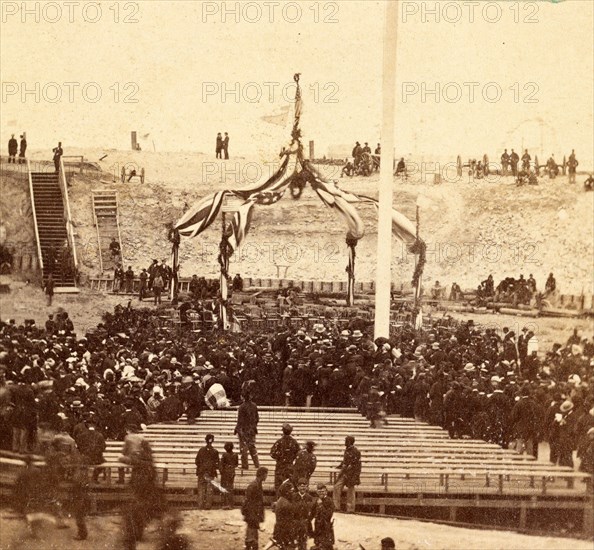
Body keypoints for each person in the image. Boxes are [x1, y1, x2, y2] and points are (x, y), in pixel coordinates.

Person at [242, 466, 268, 550]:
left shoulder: (258, 484)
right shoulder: (253, 485)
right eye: (266, 475)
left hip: (255, 514)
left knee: (253, 533)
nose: (266, 477)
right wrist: (250, 514)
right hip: (252, 514)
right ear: (262, 475)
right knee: (251, 534)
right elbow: (247, 501)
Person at [333, 435, 361, 513]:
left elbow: (353, 465)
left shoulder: (355, 451)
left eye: (346, 441)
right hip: (346, 473)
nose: (345, 442)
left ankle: (350, 509)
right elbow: (345, 461)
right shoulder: (347, 450)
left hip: (351, 474)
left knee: (350, 491)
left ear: (349, 442)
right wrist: (340, 466)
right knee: (336, 487)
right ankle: (336, 507)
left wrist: (339, 475)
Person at [270, 423, 300, 490]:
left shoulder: (279, 442)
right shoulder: (294, 442)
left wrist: (279, 457)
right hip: (289, 466)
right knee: (289, 487)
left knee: (279, 487)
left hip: (280, 467)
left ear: (283, 431)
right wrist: (291, 457)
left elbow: (272, 454)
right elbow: (298, 454)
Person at [235, 391, 260, 470]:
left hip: (244, 430)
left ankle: (245, 465)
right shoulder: (254, 406)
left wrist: (238, 429)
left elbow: (240, 421)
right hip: (252, 429)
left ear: (242, 397)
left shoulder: (241, 407)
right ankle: (257, 464)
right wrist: (254, 426)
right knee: (252, 446)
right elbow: (257, 418)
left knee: (244, 448)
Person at [195, 433, 219, 510]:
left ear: (205, 440)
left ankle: (200, 505)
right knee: (209, 489)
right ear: (213, 441)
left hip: (201, 472)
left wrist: (201, 467)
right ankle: (208, 505)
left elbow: (196, 461)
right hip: (210, 472)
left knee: (201, 488)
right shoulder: (215, 451)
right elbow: (217, 463)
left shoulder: (201, 450)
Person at [311, 483, 334, 550]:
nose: (321, 493)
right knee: (318, 540)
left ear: (326, 491)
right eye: (319, 492)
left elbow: (329, 514)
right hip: (318, 523)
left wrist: (321, 505)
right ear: (317, 492)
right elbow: (312, 512)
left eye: (323, 491)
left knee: (326, 543)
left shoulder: (329, 501)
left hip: (326, 524)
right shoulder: (316, 501)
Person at [294, 478, 314, 550]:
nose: (303, 488)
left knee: (304, 541)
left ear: (307, 487)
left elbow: (313, 511)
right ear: (298, 487)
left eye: (304, 486)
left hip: (305, 523)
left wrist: (308, 519)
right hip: (295, 522)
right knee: (295, 541)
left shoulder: (309, 498)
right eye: (301, 486)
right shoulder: (294, 497)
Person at [221, 441, 238, 509]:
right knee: (230, 488)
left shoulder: (224, 455)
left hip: (225, 473)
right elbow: (236, 464)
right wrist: (232, 466)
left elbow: (221, 464)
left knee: (225, 488)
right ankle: (230, 505)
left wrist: (223, 470)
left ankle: (225, 504)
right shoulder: (235, 455)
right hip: (231, 472)